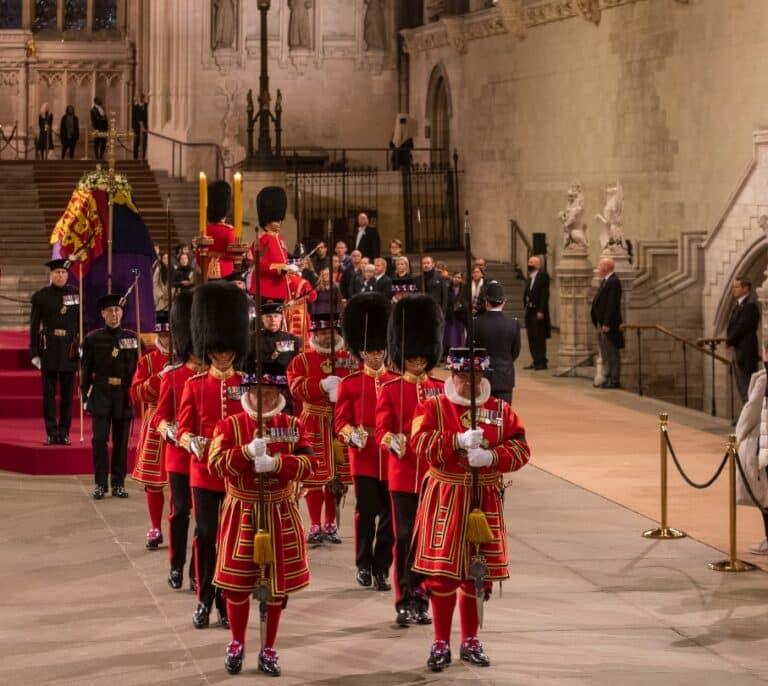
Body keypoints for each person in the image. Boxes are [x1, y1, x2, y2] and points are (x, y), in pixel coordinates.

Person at [411, 347, 530, 672]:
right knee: (443, 575)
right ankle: (440, 641)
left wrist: (493, 457)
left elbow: (521, 448)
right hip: (446, 497)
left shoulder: (501, 410)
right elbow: (418, 444)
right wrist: (455, 443)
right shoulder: (432, 406)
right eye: (464, 377)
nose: (470, 384)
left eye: (476, 378)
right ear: (453, 375)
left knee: (476, 576)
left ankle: (471, 640)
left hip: (484, 499)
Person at [209, 362, 315, 676]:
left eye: (269, 395)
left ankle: (269, 648)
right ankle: (237, 643)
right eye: (258, 395)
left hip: (280, 512)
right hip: (241, 511)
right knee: (237, 585)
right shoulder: (229, 425)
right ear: (248, 394)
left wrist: (279, 464)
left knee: (277, 587)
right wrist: (243, 452)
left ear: (279, 394)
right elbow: (214, 465)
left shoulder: (293, 425)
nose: (263, 401)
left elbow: (311, 464)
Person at [177, 282, 250, 630]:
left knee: (230, 538)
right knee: (206, 534)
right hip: (203, 472)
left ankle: (224, 599)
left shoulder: (248, 387)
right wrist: (192, 441)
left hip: (236, 473)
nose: (222, 356)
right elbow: (182, 426)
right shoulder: (195, 384)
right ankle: (204, 598)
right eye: (216, 350)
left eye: (227, 350)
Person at [375, 294, 444, 626]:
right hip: (403, 474)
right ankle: (404, 596)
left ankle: (423, 595)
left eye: (421, 355)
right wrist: (394, 441)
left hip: (433, 477)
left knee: (428, 538)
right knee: (405, 537)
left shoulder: (442, 390)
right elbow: (380, 431)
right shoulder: (389, 389)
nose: (416, 361)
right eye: (411, 356)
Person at [335, 293, 397, 591]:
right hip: (364, 457)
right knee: (367, 511)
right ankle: (363, 563)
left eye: (380, 350)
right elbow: (340, 422)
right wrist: (351, 435)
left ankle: (382, 566)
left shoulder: (395, 381)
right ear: (360, 352)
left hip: (391, 457)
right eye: (371, 351)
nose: (377, 355)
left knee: (389, 516)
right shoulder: (350, 383)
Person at [287, 312, 358, 545]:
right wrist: (319, 385)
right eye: (322, 333)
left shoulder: (349, 357)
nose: (327, 337)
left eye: (330, 332)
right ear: (314, 334)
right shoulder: (302, 360)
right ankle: (315, 524)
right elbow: (295, 386)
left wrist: (345, 392)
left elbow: (359, 383)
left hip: (340, 421)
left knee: (337, 478)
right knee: (314, 476)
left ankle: (330, 523)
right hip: (313, 421)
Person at [152, 289, 203, 591]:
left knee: (206, 520)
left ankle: (199, 569)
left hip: (207, 457)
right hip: (180, 458)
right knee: (180, 511)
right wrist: (172, 432)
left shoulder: (212, 376)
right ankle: (176, 564)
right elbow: (158, 418)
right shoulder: (173, 376)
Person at [81, 293, 139, 499]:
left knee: (121, 443)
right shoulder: (93, 339)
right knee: (99, 440)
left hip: (123, 396)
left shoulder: (132, 338)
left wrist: (137, 393)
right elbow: (86, 371)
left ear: (122, 313)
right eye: (110, 311)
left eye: (117, 310)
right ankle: (100, 483)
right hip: (101, 394)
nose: (114, 314)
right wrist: (85, 397)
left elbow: (138, 370)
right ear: (103, 314)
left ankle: (118, 483)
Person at [130, 310, 171, 548]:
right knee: (154, 481)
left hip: (180, 418)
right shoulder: (147, 361)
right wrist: (159, 380)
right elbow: (136, 393)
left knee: (180, 479)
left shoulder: (189, 359)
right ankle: (155, 526)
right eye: (163, 335)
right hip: (156, 418)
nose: (167, 339)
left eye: (170, 334)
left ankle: (178, 522)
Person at [29, 258, 79, 445]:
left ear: (68, 275)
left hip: (69, 350)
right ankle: (51, 432)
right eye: (57, 272)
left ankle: (64, 432)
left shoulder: (76, 294)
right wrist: (34, 352)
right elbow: (34, 327)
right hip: (49, 349)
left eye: (64, 273)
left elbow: (83, 324)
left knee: (67, 396)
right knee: (48, 395)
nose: (60, 275)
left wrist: (83, 346)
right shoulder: (41, 296)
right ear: (51, 275)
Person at [734, 350, 768, 555]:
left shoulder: (763, 381)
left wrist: (739, 438)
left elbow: (750, 413)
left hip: (764, 441)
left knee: (764, 493)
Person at [474, 281, 521, 403]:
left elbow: (470, 351)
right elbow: (515, 351)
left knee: (481, 417)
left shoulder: (476, 323)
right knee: (503, 416)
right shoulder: (513, 324)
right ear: (503, 302)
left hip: (481, 377)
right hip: (504, 376)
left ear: (486, 302)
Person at [255, 186, 297, 300]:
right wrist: (279, 269)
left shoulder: (280, 239)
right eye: (276, 220)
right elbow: (259, 265)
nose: (279, 222)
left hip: (280, 287)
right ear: (267, 221)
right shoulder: (262, 240)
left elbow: (283, 260)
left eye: (280, 220)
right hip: (267, 288)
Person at [591, 257, 624, 389]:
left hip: (608, 326)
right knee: (605, 352)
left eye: (600, 266)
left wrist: (606, 323)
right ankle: (606, 376)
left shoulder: (614, 281)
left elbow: (612, 304)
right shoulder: (605, 281)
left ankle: (614, 379)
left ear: (606, 267)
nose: (598, 268)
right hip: (601, 323)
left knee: (611, 352)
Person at [726, 276, 760, 403]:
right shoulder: (740, 304)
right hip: (739, 349)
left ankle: (749, 418)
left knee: (747, 385)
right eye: (733, 287)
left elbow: (742, 326)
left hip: (746, 352)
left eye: (737, 287)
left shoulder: (750, 305)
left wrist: (730, 340)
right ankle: (745, 415)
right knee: (741, 385)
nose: (733, 289)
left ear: (745, 288)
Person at [201, 180, 236, 281]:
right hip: (226, 271)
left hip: (206, 268)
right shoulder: (228, 230)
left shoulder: (205, 230)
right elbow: (232, 255)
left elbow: (199, 256)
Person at [522, 255, 551, 371]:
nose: (529, 264)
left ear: (538, 265)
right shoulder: (530, 278)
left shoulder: (543, 276)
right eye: (529, 262)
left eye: (532, 262)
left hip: (538, 311)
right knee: (531, 337)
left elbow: (544, 295)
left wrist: (541, 310)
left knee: (539, 337)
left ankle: (542, 361)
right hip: (530, 311)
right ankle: (535, 360)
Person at [444, 272, 467, 350]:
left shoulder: (464, 289)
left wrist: (461, 306)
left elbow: (466, 301)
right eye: (455, 277)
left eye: (459, 277)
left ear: (461, 279)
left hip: (460, 316)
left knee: (459, 335)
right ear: (452, 277)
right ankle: (448, 352)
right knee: (450, 335)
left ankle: (459, 350)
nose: (457, 279)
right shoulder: (447, 288)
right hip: (450, 315)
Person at [131, 91, 148, 161]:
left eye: (141, 97)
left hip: (145, 127)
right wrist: (134, 127)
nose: (139, 98)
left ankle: (143, 157)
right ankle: (135, 158)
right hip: (137, 128)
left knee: (144, 143)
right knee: (136, 143)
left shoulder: (147, 105)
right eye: (138, 97)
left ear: (143, 97)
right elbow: (134, 118)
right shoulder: (135, 107)